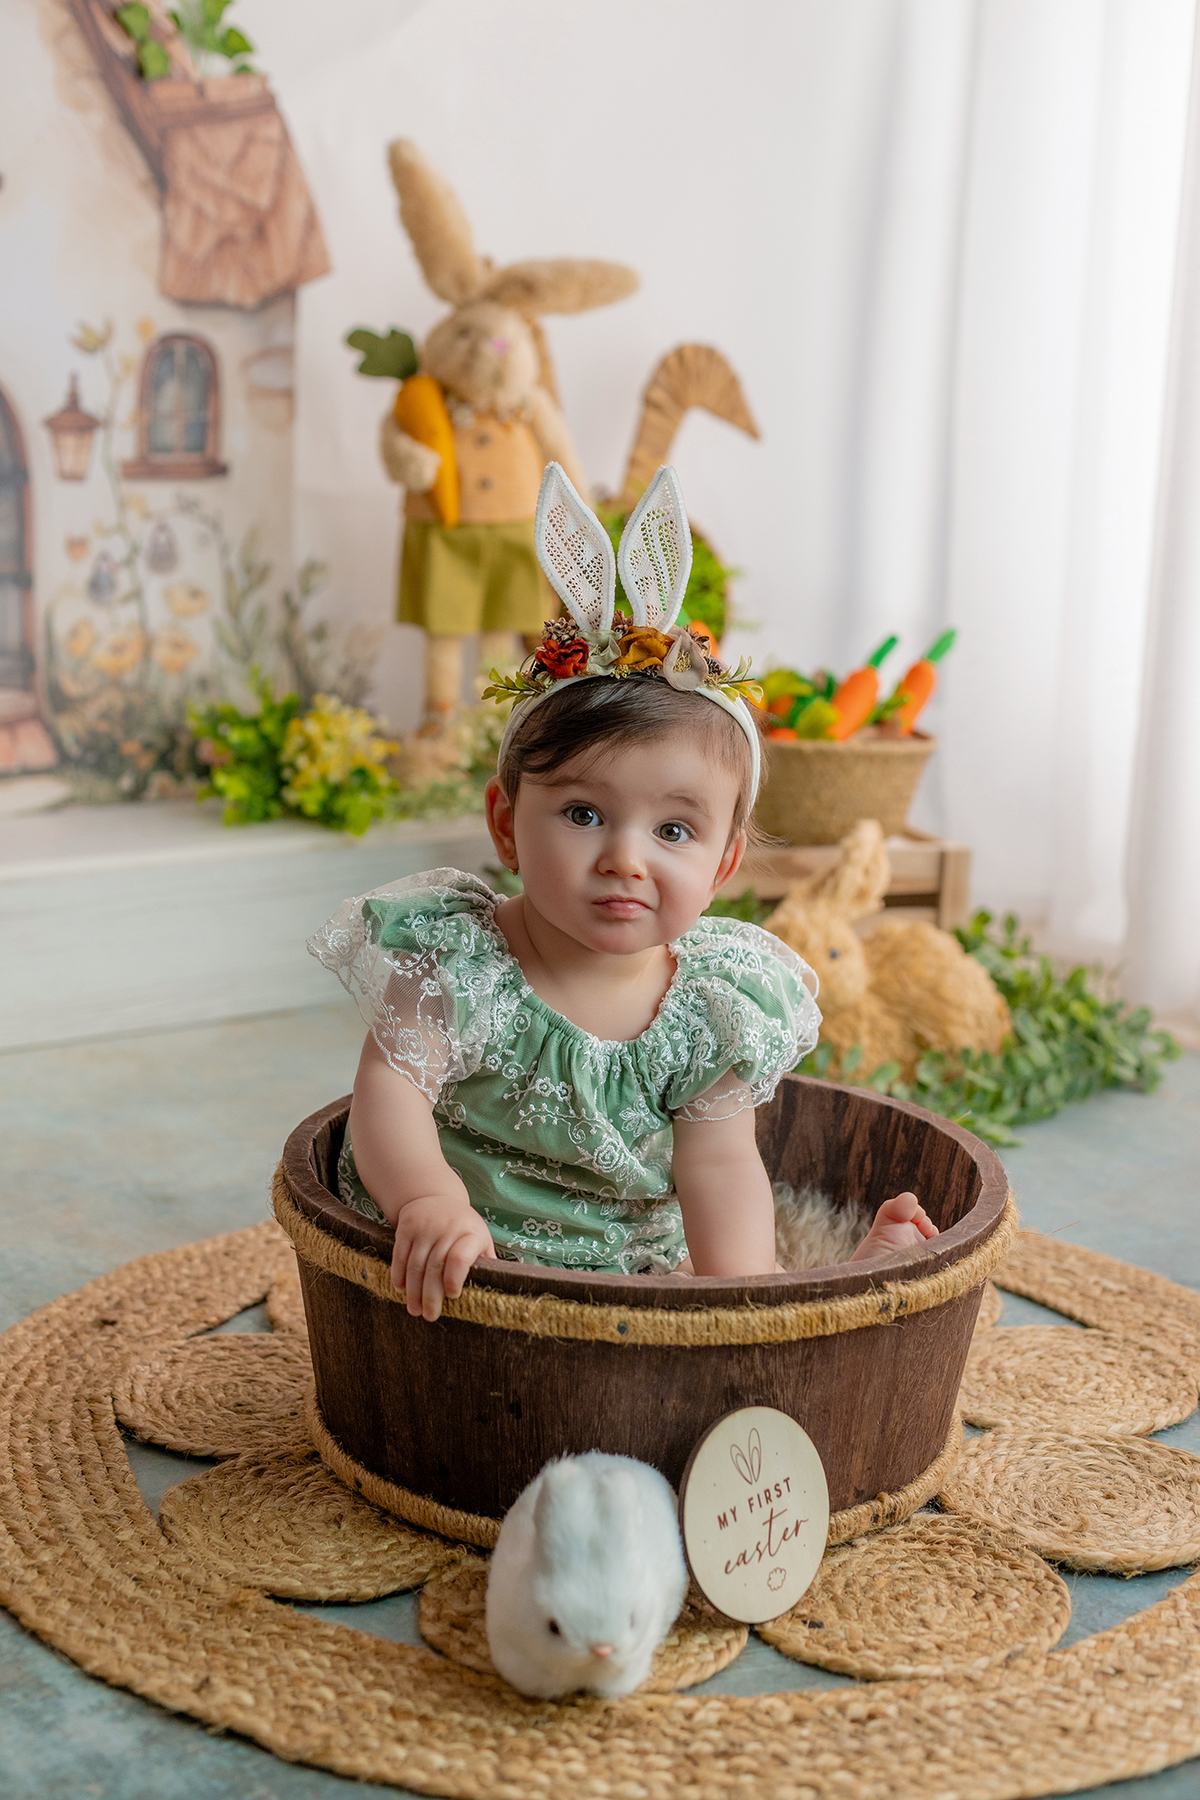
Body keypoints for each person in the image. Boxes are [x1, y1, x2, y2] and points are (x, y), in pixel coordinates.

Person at [309, 465, 938, 1320]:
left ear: (721, 868)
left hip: (630, 1271)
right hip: (466, 1262)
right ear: (505, 825)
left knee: (706, 1302)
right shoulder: (461, 960)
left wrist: (743, 1310)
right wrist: (426, 1199)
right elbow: (388, 1096)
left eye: (673, 832)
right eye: (582, 813)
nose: (625, 859)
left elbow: (719, 1170)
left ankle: (807, 1305)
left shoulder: (708, 1007)